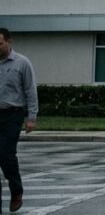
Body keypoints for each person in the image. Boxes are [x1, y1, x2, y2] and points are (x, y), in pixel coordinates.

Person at [0, 28, 38, 213]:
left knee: (6, 155)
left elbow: (30, 90)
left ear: (9, 42)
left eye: (0, 43)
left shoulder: (22, 63)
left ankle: (16, 191)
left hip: (12, 114)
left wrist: (31, 117)